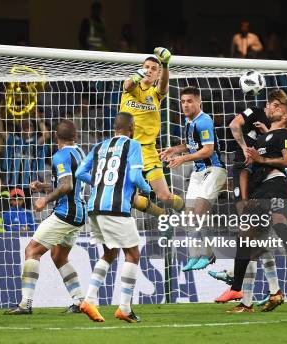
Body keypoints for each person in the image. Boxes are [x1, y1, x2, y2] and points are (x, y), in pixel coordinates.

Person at [224, 105, 287, 313]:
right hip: (259, 191)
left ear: (284, 116)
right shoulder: (262, 137)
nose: (272, 108)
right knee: (245, 239)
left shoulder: (285, 134)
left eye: (277, 107)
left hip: (276, 186)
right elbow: (253, 162)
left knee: (277, 226)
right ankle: (241, 293)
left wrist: (262, 159)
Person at [75, 112, 152, 323]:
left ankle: (89, 299)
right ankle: (125, 308)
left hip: (94, 207)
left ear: (115, 127)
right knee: (133, 253)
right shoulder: (133, 145)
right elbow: (136, 177)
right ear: (132, 127)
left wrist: (101, 184)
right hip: (115, 208)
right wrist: (148, 189)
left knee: (109, 253)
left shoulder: (99, 146)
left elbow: (80, 172)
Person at [4, 120, 86, 315]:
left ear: (57, 137)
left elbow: (67, 186)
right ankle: (80, 301)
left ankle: (25, 304)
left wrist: (44, 200)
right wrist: (44, 186)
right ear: (75, 137)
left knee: (32, 250)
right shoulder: (79, 152)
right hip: (79, 213)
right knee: (59, 256)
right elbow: (66, 182)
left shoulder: (60, 155)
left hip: (65, 213)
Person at [159, 87, 227, 271]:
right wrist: (175, 150)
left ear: (198, 102)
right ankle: (195, 255)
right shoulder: (188, 121)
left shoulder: (204, 121)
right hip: (198, 172)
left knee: (199, 211)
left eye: (190, 101)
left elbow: (208, 150)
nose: (186, 105)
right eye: (183, 101)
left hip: (214, 170)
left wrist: (182, 159)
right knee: (189, 215)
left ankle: (209, 254)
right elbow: (192, 145)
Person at [120, 47, 185, 217]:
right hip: (126, 150)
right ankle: (164, 217)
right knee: (130, 199)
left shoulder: (156, 94)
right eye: (147, 67)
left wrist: (165, 64)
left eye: (154, 69)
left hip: (148, 151)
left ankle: (187, 210)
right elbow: (128, 84)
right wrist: (137, 75)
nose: (149, 70)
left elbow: (163, 87)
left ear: (157, 75)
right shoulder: (131, 87)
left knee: (165, 196)